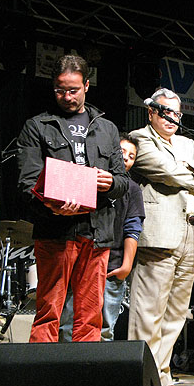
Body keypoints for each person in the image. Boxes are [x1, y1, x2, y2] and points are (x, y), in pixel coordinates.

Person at [17, 54, 128, 343]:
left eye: (73, 90)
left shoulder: (107, 128)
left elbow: (124, 183)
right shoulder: (38, 126)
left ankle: (85, 382)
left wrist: (111, 182)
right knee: (48, 313)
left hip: (97, 231)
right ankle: (41, 382)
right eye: (59, 90)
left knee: (91, 316)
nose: (66, 97)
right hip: (56, 231)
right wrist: (51, 205)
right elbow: (27, 184)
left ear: (87, 86)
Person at [128, 88, 194, 386]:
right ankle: (142, 376)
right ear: (151, 112)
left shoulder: (189, 142)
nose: (171, 118)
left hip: (191, 233)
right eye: (165, 112)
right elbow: (165, 171)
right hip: (159, 234)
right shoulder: (140, 137)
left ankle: (162, 372)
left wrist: (188, 168)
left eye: (176, 114)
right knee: (149, 309)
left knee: (177, 311)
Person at [58, 133, 145, 342]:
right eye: (122, 152)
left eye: (132, 156)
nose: (126, 158)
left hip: (112, 267)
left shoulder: (132, 189)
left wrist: (126, 266)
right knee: (69, 324)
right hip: (82, 262)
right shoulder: (89, 179)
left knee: (105, 329)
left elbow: (133, 227)